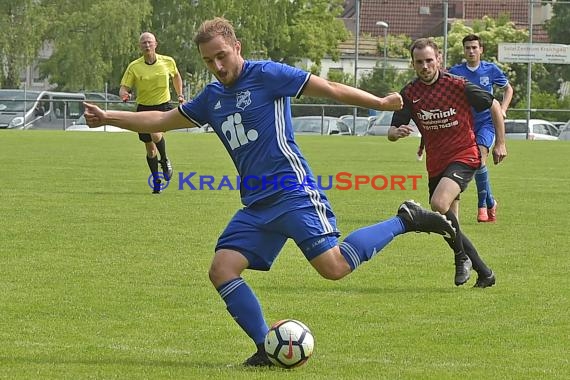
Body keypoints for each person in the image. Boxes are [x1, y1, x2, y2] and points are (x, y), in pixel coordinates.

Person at [84, 17, 457, 367]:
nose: (216, 66)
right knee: (222, 270)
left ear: (237, 48)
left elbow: (327, 87)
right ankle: (266, 347)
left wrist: (378, 103)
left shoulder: (267, 75)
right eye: (208, 60)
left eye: (221, 56)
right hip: (256, 203)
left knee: (334, 268)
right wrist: (109, 116)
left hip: (292, 191)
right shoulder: (212, 98)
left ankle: (403, 220)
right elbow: (162, 118)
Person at [387, 38, 506, 288]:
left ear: (439, 59)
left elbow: (494, 105)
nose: (425, 66)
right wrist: (395, 133)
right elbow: (392, 129)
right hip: (436, 163)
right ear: (413, 64)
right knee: (450, 223)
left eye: (429, 60)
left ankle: (461, 258)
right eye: (419, 62)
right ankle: (485, 273)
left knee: (438, 204)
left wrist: (500, 143)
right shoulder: (409, 93)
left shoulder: (457, 84)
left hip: (464, 154)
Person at [448, 34, 513, 222]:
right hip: (465, 124)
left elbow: (508, 89)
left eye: (474, 47)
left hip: (487, 123)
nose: (471, 51)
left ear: (481, 50)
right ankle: (491, 201)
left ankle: (482, 207)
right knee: (476, 163)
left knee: (480, 157)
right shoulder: (456, 71)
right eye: (467, 48)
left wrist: (502, 109)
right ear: (464, 50)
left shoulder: (490, 70)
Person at [119, 31, 185, 194]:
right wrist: (124, 95)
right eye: (144, 43)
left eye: (149, 42)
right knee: (150, 149)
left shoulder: (167, 61)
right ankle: (156, 180)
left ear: (156, 44)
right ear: (140, 46)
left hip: (163, 106)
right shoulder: (134, 66)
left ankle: (164, 160)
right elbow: (124, 87)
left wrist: (180, 94)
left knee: (156, 134)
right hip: (144, 108)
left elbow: (176, 76)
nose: (147, 45)